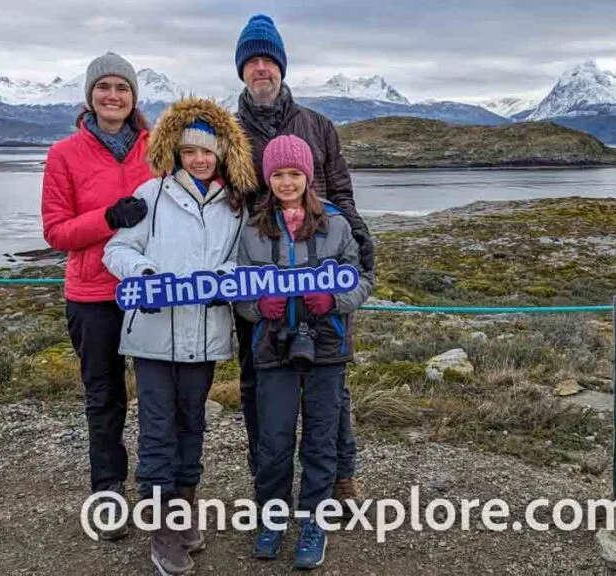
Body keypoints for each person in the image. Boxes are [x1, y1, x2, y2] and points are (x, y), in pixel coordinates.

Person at [103, 97, 257, 576]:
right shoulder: (150, 196)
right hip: (151, 337)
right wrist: (143, 272)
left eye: (207, 153)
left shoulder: (236, 206)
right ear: (175, 152)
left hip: (205, 336)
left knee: (193, 425)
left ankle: (184, 511)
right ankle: (162, 532)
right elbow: (117, 249)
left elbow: (243, 260)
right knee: (157, 430)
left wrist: (226, 279)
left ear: (223, 156)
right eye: (190, 151)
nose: (199, 159)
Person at [232, 13, 375, 506]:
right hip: (260, 271)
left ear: (282, 67)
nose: (261, 68)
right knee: (258, 377)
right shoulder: (229, 134)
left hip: (320, 268)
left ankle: (341, 476)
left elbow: (342, 194)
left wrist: (359, 246)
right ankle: (266, 479)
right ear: (241, 71)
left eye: (268, 59)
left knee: (330, 378)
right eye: (251, 61)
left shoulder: (319, 126)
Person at [234, 134, 373, 569]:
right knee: (273, 439)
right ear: (268, 178)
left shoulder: (337, 224)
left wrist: (334, 302)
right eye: (278, 174)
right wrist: (259, 307)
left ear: (308, 176)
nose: (287, 182)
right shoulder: (253, 229)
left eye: (295, 173)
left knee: (320, 438)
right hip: (273, 348)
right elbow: (237, 287)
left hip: (326, 347)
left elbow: (362, 280)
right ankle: (272, 517)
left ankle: (314, 520)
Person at [40, 52, 152, 541]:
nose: (113, 96)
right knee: (104, 399)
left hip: (150, 290)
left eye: (122, 88)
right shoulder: (64, 154)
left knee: (157, 397)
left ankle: (158, 493)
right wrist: (109, 218)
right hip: (92, 294)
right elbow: (55, 231)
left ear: (133, 97)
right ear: (89, 95)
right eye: (104, 87)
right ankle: (108, 493)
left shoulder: (157, 148)